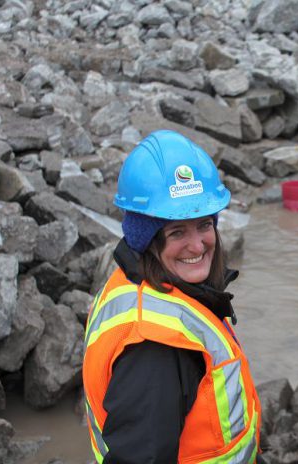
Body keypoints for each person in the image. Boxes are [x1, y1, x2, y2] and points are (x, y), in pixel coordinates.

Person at [82, 130, 261, 463]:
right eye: (177, 231)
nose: (197, 245)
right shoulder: (156, 347)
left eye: (205, 225)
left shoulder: (143, 284)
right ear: (146, 239)